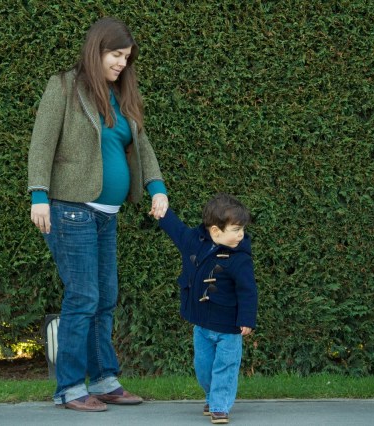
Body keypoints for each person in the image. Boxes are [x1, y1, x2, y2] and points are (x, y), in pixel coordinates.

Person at [27, 17, 169, 412]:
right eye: (116, 54)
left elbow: (142, 146)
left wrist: (157, 187)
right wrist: (38, 195)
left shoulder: (122, 95)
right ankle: (71, 387)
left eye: (127, 57)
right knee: (83, 296)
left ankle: (104, 379)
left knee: (104, 297)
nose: (122, 63)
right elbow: (42, 142)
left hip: (107, 215)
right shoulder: (64, 87)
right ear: (97, 50)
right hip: (70, 209)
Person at [156, 193, 258, 424]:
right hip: (201, 324)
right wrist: (162, 213)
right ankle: (212, 397)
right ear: (215, 231)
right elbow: (176, 229)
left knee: (225, 366)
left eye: (242, 229)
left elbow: (248, 290)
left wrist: (247, 319)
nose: (241, 235)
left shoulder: (240, 258)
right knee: (203, 367)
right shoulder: (194, 242)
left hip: (229, 327)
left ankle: (220, 406)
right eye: (236, 229)